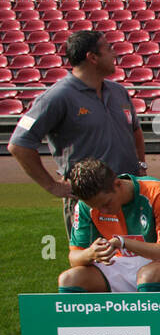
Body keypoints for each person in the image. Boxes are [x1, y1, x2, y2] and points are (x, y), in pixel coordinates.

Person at [8, 29, 147, 236]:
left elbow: (135, 130)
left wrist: (141, 165)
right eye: (108, 49)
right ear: (92, 57)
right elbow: (18, 144)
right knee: (92, 261)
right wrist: (52, 186)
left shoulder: (118, 92)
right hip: (90, 200)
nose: (114, 54)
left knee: (135, 259)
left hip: (127, 193)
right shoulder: (56, 97)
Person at [57, 158, 160, 293]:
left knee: (148, 276)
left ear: (118, 184)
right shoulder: (84, 207)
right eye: (95, 207)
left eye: (106, 203)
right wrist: (91, 253)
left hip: (159, 263)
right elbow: (74, 257)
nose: (103, 211)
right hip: (117, 265)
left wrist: (123, 242)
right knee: (68, 279)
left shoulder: (157, 192)